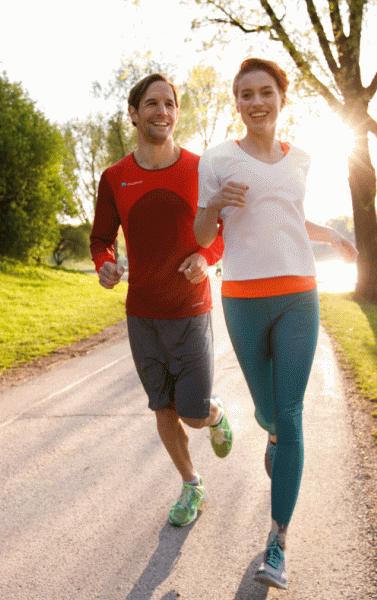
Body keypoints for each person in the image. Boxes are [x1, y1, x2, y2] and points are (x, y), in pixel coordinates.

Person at [193, 58, 358, 589]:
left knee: (290, 414)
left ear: (282, 99)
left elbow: (284, 215)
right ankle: (270, 434)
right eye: (246, 94)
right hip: (242, 297)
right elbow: (200, 234)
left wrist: (329, 233)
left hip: (298, 296)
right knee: (268, 411)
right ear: (236, 103)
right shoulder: (217, 159)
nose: (256, 102)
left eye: (266, 92)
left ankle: (277, 542)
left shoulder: (302, 159)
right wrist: (215, 202)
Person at [90, 73, 232, 528]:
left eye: (170, 104)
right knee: (162, 407)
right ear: (134, 114)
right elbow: (100, 238)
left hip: (191, 310)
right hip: (142, 315)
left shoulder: (199, 168)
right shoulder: (115, 177)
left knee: (191, 412)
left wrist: (206, 259)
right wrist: (105, 265)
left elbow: (220, 232)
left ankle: (214, 414)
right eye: (152, 103)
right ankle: (192, 484)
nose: (163, 112)